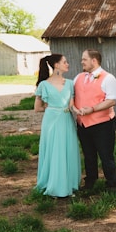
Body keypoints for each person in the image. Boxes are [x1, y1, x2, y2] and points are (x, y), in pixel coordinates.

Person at [34, 54, 81, 197]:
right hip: (51, 121)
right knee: (54, 150)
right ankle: (53, 185)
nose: (68, 64)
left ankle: (68, 183)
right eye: (65, 62)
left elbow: (72, 105)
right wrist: (52, 109)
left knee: (68, 149)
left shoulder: (70, 83)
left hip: (66, 120)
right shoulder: (43, 85)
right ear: (56, 65)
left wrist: (79, 111)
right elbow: (37, 108)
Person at [73, 49, 116, 190]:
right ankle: (90, 181)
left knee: (106, 155)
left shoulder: (108, 78)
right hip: (83, 124)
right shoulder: (78, 77)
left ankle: (111, 184)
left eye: (84, 59)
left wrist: (92, 109)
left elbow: (112, 100)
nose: (82, 62)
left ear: (94, 61)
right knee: (88, 155)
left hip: (103, 124)